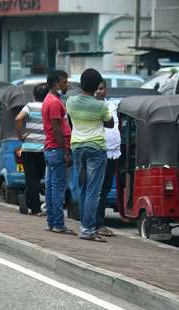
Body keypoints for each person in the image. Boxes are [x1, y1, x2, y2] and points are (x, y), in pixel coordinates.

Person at [67, 69, 113, 242]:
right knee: (94, 190)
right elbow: (110, 123)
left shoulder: (70, 101)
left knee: (83, 187)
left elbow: (71, 120)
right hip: (96, 148)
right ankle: (87, 229)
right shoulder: (100, 105)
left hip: (77, 147)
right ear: (96, 87)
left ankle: (84, 226)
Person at [42, 70, 74, 234]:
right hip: (56, 148)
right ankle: (58, 224)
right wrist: (66, 152)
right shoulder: (54, 102)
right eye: (64, 82)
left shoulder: (49, 99)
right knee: (57, 188)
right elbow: (56, 129)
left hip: (51, 148)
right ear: (56, 84)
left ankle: (52, 222)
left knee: (51, 187)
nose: (66, 84)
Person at [15, 83, 49, 216]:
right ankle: (34, 207)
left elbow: (18, 119)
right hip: (43, 149)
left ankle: (31, 204)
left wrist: (20, 135)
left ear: (34, 95)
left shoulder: (29, 106)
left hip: (28, 148)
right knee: (38, 178)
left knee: (31, 179)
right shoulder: (49, 106)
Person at [96, 80, 118, 237]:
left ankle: (99, 222)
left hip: (113, 152)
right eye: (97, 88)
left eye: (102, 88)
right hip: (98, 151)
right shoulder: (92, 106)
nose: (99, 91)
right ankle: (97, 223)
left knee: (105, 189)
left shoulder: (113, 105)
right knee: (96, 189)